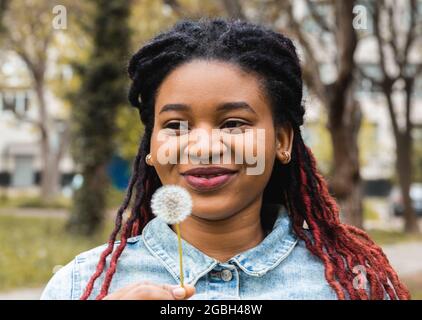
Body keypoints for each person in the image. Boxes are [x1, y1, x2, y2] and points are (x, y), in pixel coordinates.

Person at [41, 18, 410, 300]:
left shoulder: (356, 282)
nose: (202, 146)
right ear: (151, 146)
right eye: (176, 125)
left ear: (282, 140)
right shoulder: (80, 285)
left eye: (233, 123)